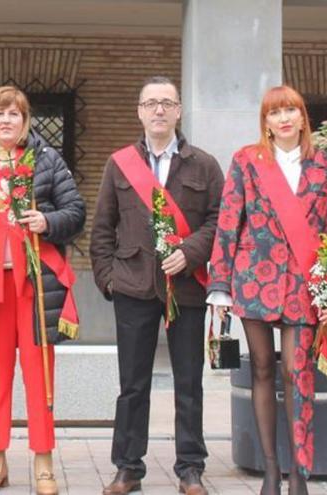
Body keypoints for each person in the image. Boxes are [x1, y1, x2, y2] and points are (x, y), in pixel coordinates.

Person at [0, 85, 85, 495]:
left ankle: (43, 463)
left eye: (15, 113)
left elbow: (75, 211)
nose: (6, 120)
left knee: (39, 375)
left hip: (36, 284)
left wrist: (49, 222)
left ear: (26, 121)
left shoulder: (45, 159)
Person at [208, 85, 327, 495]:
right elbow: (229, 221)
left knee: (296, 372)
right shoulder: (246, 162)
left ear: (303, 118)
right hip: (255, 279)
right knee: (263, 368)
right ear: (265, 122)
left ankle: (299, 471)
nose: (284, 118)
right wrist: (220, 284)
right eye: (275, 112)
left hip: (305, 283)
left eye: (292, 110)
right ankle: (271, 468)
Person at [90, 76, 223, 495]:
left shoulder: (204, 164)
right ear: (140, 111)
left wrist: (192, 252)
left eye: (167, 102)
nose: (159, 110)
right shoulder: (119, 163)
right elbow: (102, 228)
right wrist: (108, 280)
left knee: (188, 381)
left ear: (179, 110)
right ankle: (128, 467)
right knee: (133, 384)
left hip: (186, 288)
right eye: (151, 103)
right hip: (132, 287)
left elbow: (219, 220)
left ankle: (190, 467)